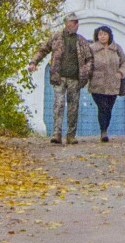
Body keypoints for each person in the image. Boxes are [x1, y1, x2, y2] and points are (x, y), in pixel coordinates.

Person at [30, 13, 93, 145]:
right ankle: (56, 134)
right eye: (73, 23)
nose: (75, 25)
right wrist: (33, 62)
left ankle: (71, 135)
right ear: (67, 23)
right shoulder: (56, 37)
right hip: (58, 77)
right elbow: (43, 50)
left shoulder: (81, 40)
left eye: (76, 23)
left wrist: (86, 71)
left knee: (73, 107)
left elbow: (89, 59)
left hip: (75, 79)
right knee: (58, 106)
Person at [89, 24, 125, 141]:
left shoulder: (116, 48)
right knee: (102, 107)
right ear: (97, 36)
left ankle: (105, 128)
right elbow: (86, 63)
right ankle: (103, 132)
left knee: (109, 108)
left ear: (109, 36)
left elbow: (124, 62)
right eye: (100, 34)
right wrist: (89, 74)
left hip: (113, 84)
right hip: (97, 84)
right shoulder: (92, 49)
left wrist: (120, 73)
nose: (102, 37)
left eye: (105, 34)